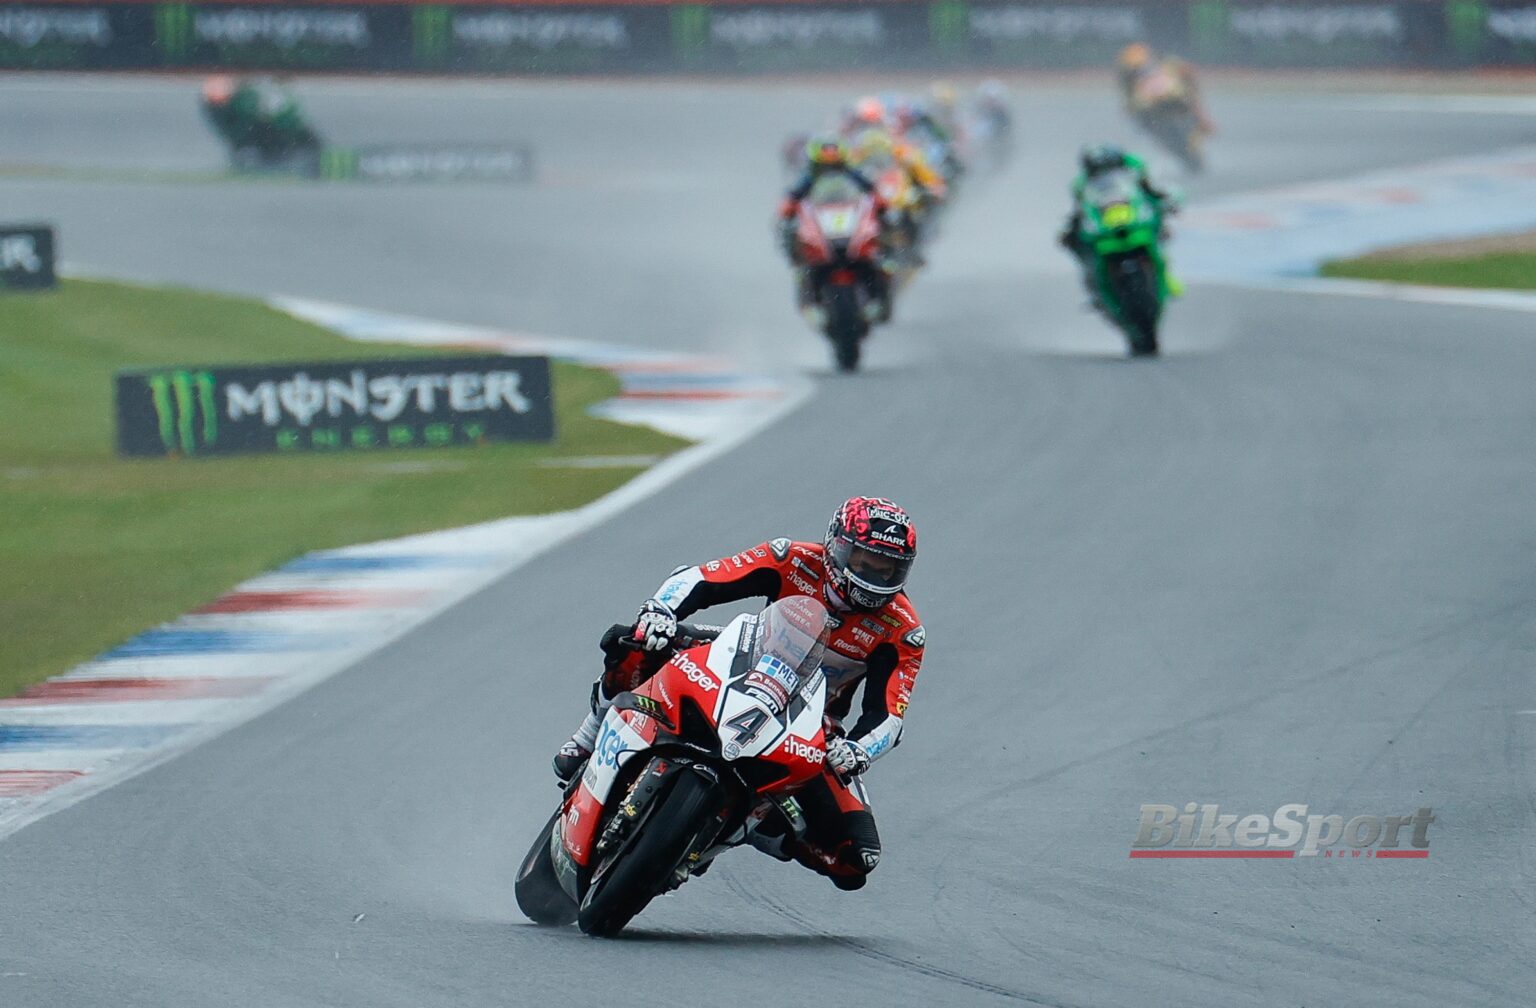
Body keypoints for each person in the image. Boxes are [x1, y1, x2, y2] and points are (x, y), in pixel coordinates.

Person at [552, 497, 926, 890]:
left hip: (810, 722)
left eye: (888, 570)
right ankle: (588, 735)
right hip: (738, 662)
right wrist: (660, 610)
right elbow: (701, 578)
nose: (873, 577)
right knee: (635, 640)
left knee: (856, 858)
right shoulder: (792, 558)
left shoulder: (902, 629)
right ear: (836, 545)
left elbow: (889, 715)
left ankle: (756, 823)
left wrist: (859, 751)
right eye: (864, 562)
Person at [776, 135, 893, 312]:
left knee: (878, 254)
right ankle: (810, 299)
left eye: (835, 165)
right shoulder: (808, 179)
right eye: (824, 166)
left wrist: (880, 201)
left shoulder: (853, 175)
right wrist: (788, 206)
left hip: (849, 221)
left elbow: (873, 191)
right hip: (820, 225)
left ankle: (879, 294)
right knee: (801, 254)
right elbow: (792, 197)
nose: (830, 169)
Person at [1058, 144, 1182, 299]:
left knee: (1159, 231)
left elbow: (1150, 191)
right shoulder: (1081, 185)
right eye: (1098, 171)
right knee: (1080, 246)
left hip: (1133, 217)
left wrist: (1164, 201)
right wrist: (1071, 230)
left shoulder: (1134, 169)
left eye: (1107, 168)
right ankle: (1095, 286)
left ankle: (1164, 276)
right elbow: (1079, 211)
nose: (1104, 175)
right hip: (1105, 226)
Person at [1116, 44, 1215, 135]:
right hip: (1165, 103)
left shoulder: (1167, 65)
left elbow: (1187, 72)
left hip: (1170, 101)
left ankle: (1199, 121)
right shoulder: (1164, 66)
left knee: (1187, 99)